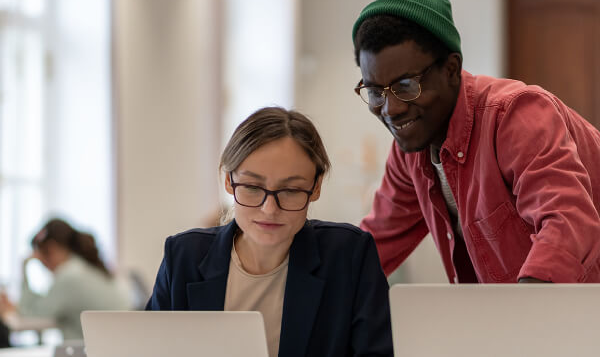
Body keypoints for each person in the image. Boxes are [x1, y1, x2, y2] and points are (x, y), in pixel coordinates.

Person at [353, 0, 600, 356]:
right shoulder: (410, 153)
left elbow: (568, 222)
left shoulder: (515, 114)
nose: (390, 109)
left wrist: (522, 323)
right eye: (375, 92)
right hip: (560, 336)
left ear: (450, 69)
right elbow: (373, 244)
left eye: (407, 85)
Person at [146, 107, 393, 357]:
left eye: (291, 190)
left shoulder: (348, 256)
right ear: (229, 181)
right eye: (252, 187)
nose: (269, 209)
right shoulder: (183, 258)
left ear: (316, 186)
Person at [0, 218, 132, 341]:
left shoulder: (70, 275)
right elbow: (44, 304)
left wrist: (24, 266)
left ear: (51, 248)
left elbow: (32, 314)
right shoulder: (85, 268)